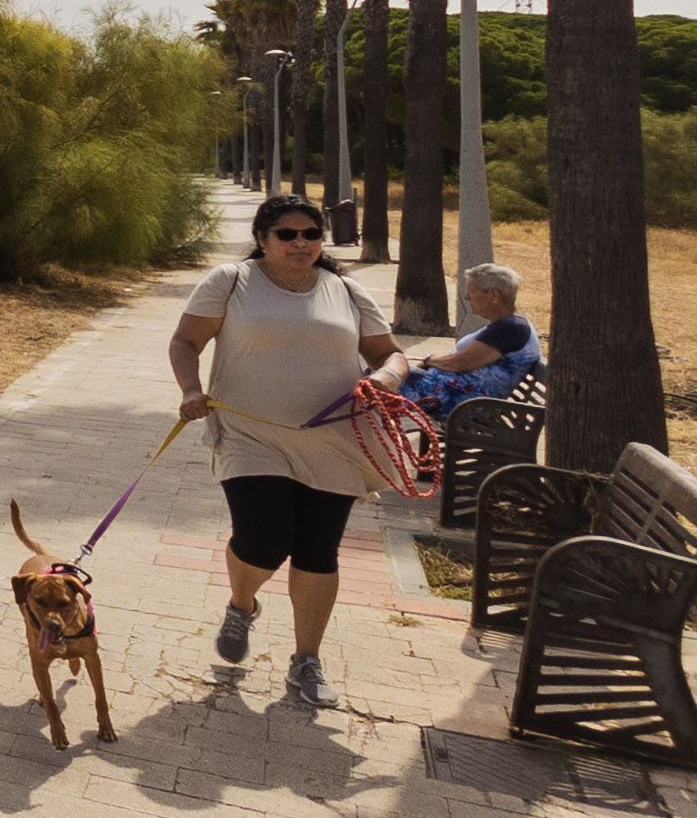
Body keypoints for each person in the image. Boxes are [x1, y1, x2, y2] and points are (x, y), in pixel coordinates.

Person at [166, 197, 408, 709]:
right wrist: (190, 390)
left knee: (318, 550)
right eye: (287, 234)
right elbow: (185, 342)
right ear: (262, 238)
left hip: (334, 440)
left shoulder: (345, 289)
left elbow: (388, 353)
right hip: (251, 435)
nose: (301, 243)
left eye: (311, 234)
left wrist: (386, 377)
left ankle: (306, 661)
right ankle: (241, 602)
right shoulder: (230, 281)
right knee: (264, 538)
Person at [400, 263, 540, 415]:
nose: (467, 297)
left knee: (381, 379)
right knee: (385, 374)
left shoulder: (511, 328)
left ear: (493, 295)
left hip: (460, 405)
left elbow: (460, 363)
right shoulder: (507, 325)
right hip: (453, 396)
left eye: (472, 291)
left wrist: (429, 361)